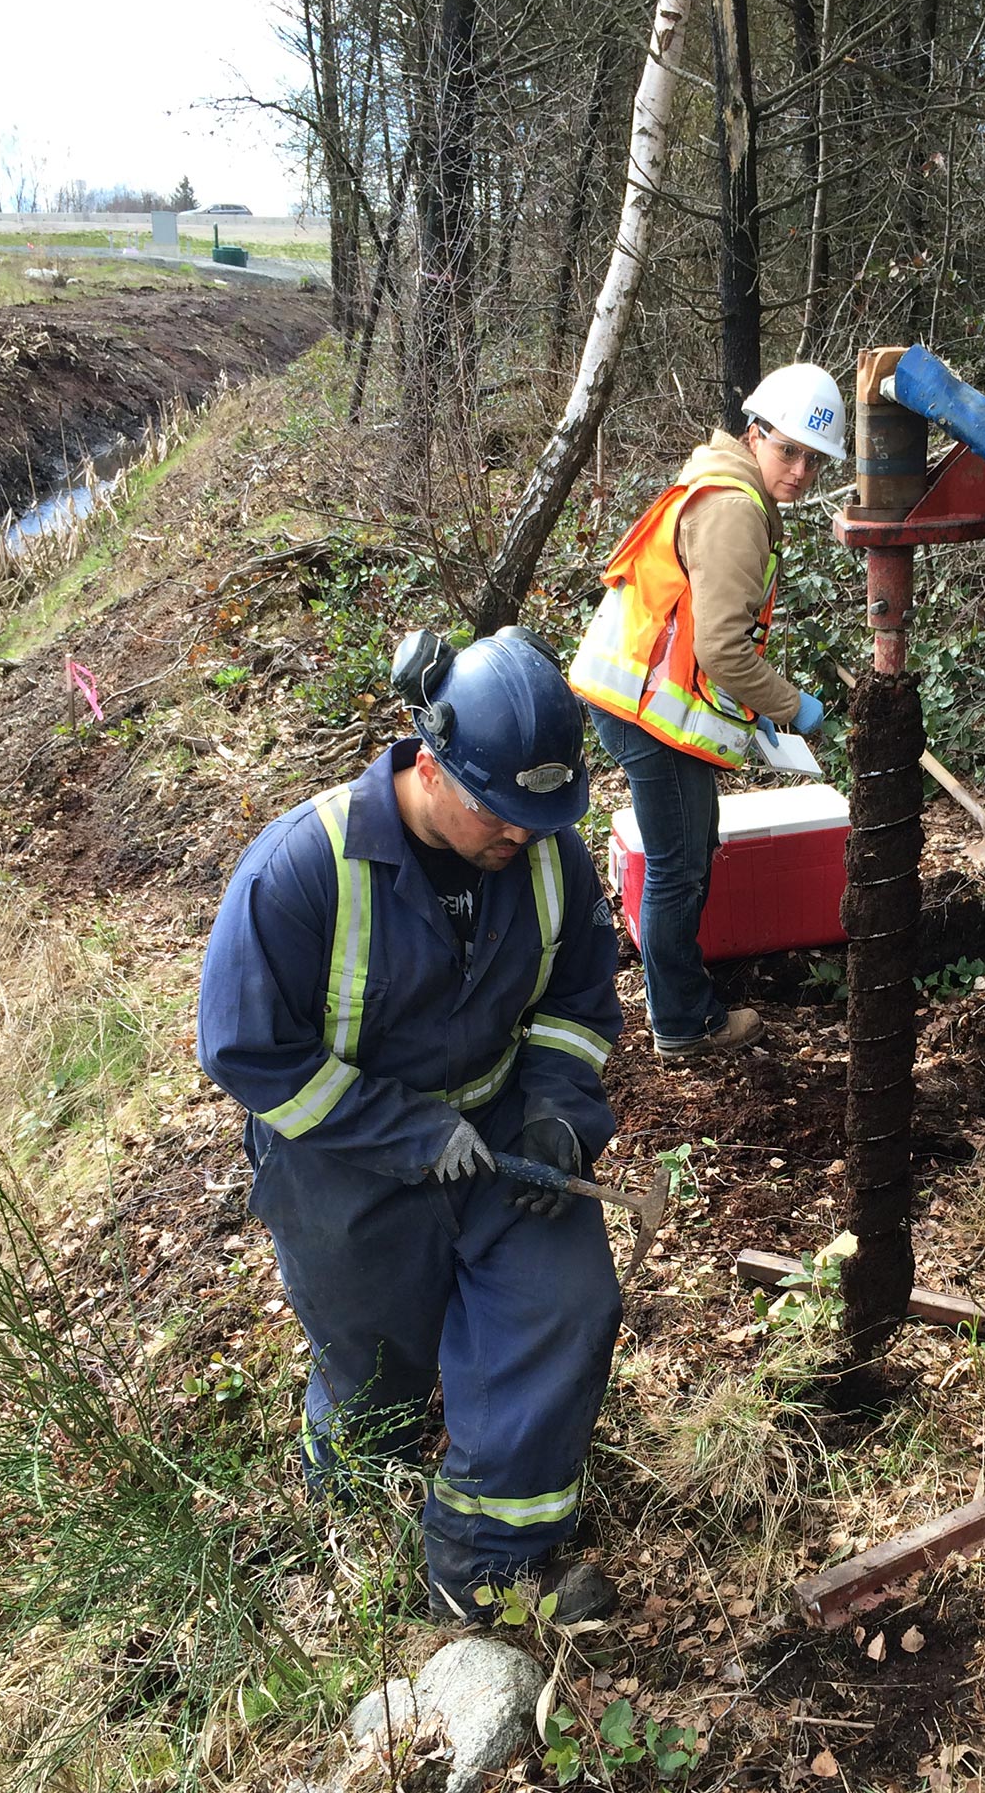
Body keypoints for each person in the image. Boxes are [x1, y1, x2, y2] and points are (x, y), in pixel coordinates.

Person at [196, 626, 624, 1624]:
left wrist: (561, 1110)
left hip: (502, 1129)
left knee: (561, 1305)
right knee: (376, 1359)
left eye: (538, 816)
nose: (521, 838)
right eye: (501, 815)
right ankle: (353, 1514)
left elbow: (576, 1000)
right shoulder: (304, 869)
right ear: (430, 766)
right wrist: (404, 1133)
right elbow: (246, 1050)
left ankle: (481, 1565)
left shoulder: (550, 858)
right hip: (343, 1159)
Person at [570, 362, 846, 1059]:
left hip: (641, 703)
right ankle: (685, 1025)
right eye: (789, 451)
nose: (801, 471)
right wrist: (793, 707)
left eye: (814, 460)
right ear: (756, 436)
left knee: (688, 854)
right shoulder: (734, 510)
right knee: (677, 867)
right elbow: (724, 649)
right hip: (645, 715)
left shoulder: (723, 486)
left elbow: (703, 637)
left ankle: (680, 1008)